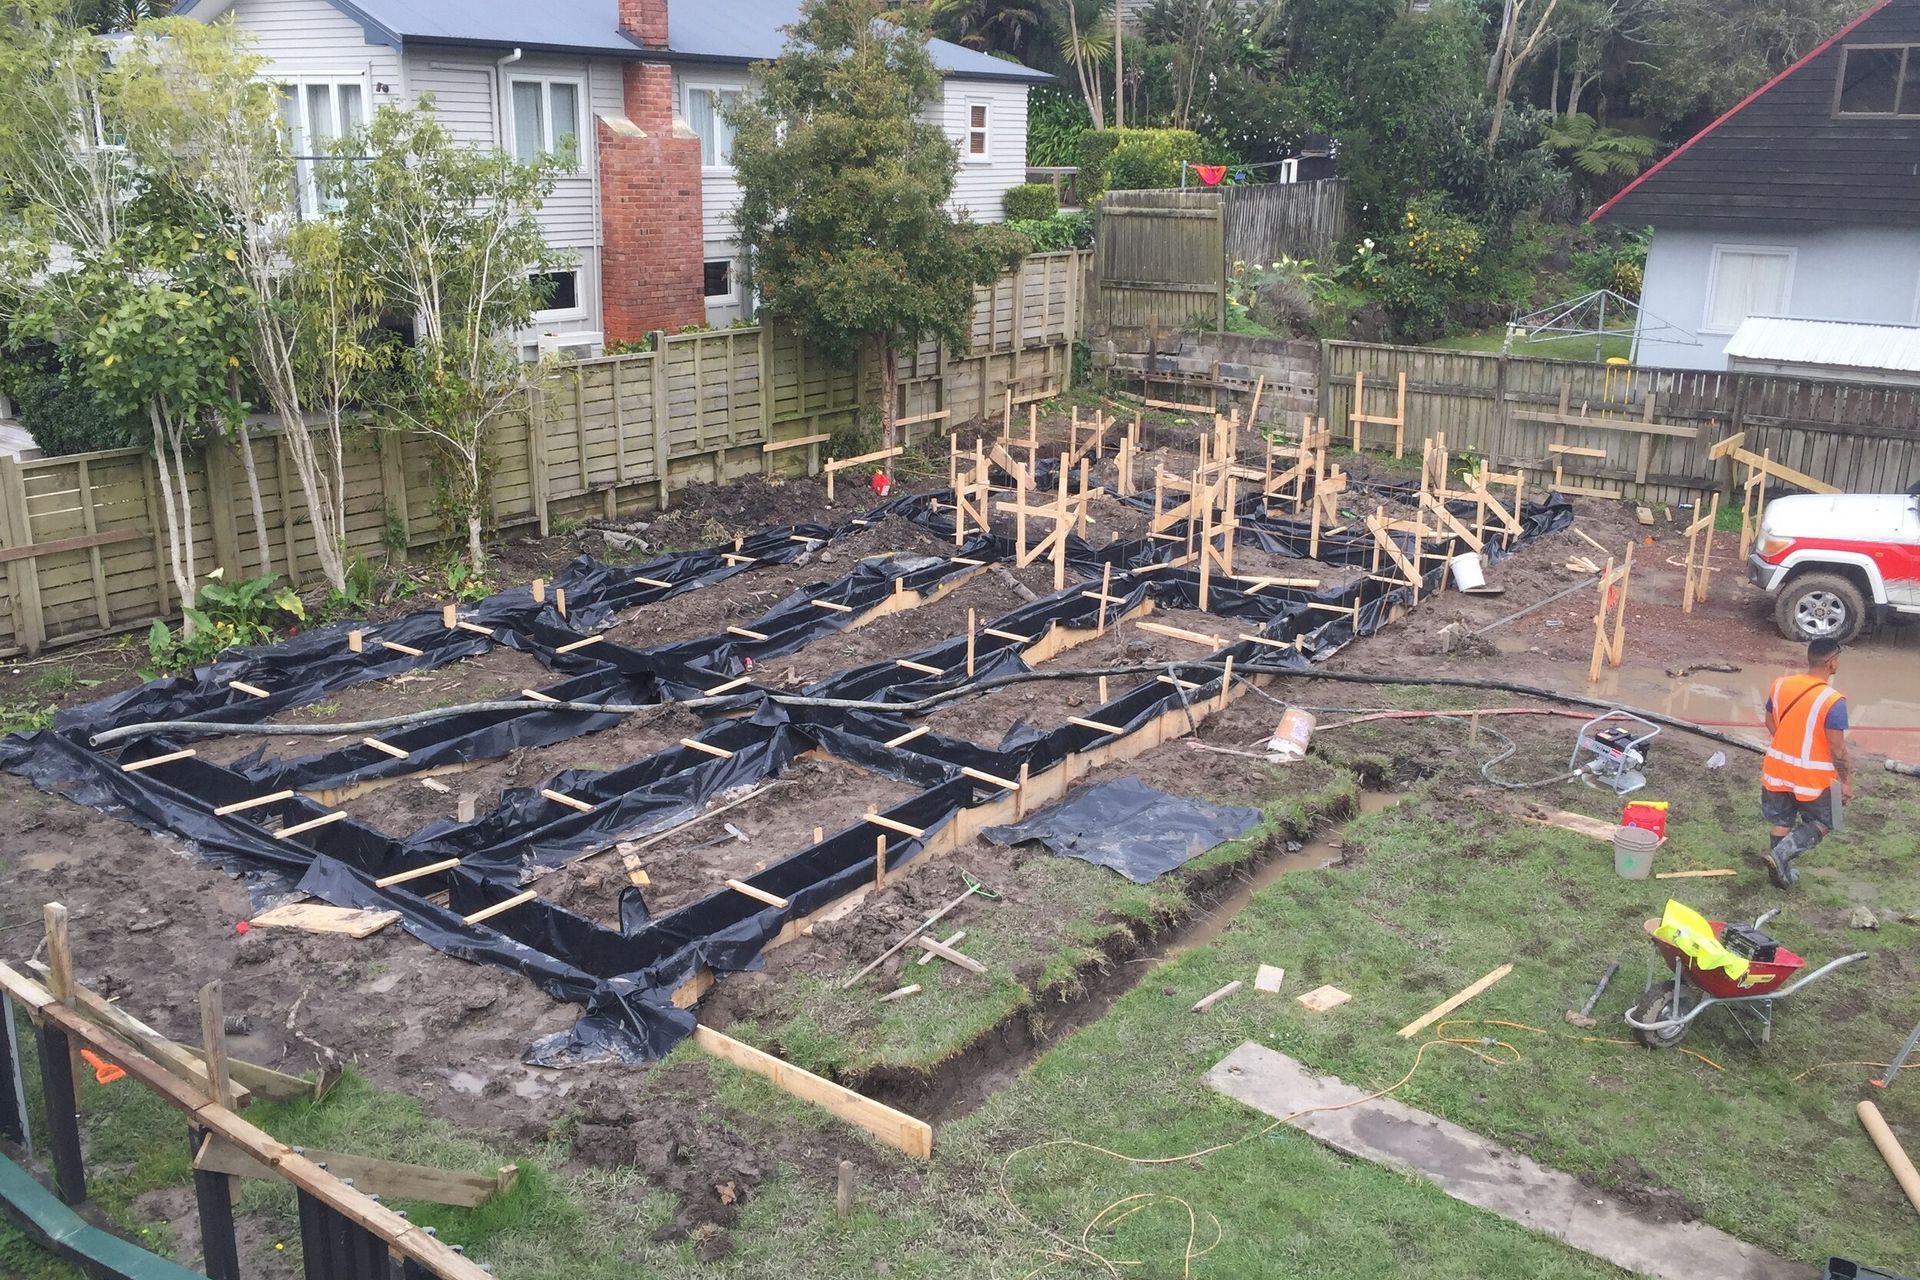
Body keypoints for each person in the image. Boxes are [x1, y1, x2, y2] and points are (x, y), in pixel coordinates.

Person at [1761, 638, 1854, 888]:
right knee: (1827, 821)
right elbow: (1837, 748)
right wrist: (1846, 781)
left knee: (1782, 821)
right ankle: (1780, 856)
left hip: (1776, 769)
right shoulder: (1833, 700)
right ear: (1832, 662)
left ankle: (1781, 875)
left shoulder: (1780, 685)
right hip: (1812, 779)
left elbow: (1770, 722)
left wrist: (1786, 746)